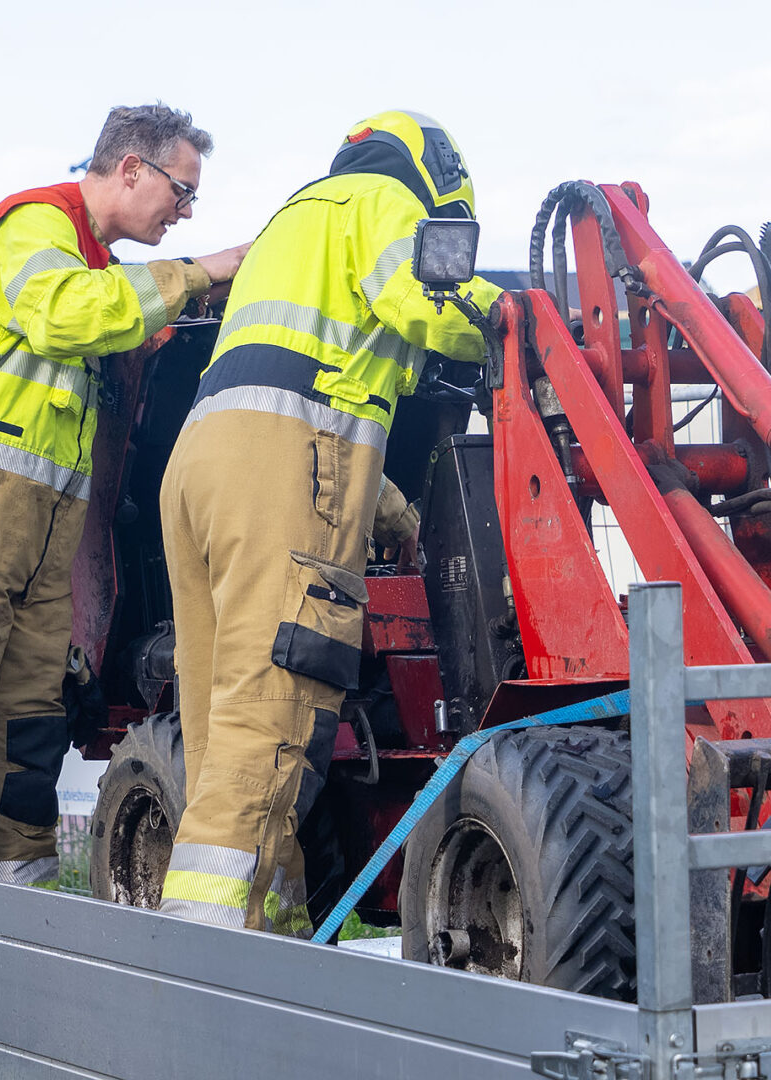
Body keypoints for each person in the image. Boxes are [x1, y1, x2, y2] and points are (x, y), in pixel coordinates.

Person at [0, 104, 251, 885]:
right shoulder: (35, 225)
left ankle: (14, 925)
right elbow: (66, 316)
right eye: (181, 189)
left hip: (28, 526)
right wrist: (199, 272)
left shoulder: (88, 264)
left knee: (26, 729)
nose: (186, 211)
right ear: (130, 168)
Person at [157, 110, 501, 931]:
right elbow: (426, 302)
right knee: (266, 731)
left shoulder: (295, 219)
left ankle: (270, 946)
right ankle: (207, 967)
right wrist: (513, 318)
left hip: (201, 466)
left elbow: (303, 390)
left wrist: (393, 513)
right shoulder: (385, 202)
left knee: (219, 738)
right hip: (276, 478)